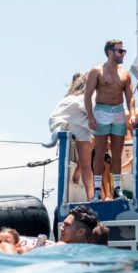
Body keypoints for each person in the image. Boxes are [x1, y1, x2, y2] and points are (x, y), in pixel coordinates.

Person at [85, 40, 135, 201]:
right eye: (120, 51)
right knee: (99, 151)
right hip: (102, 111)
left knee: (117, 153)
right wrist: (90, 116)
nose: (123, 54)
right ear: (110, 52)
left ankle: (117, 189)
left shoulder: (125, 73)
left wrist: (132, 114)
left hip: (118, 112)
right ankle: (98, 190)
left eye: (124, 51)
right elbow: (87, 95)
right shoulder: (96, 71)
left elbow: (130, 97)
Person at [49, 72, 94, 200]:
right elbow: (94, 114)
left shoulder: (68, 97)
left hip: (64, 124)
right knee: (87, 166)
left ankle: (80, 170)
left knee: (86, 164)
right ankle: (91, 197)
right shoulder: (87, 96)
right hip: (79, 126)